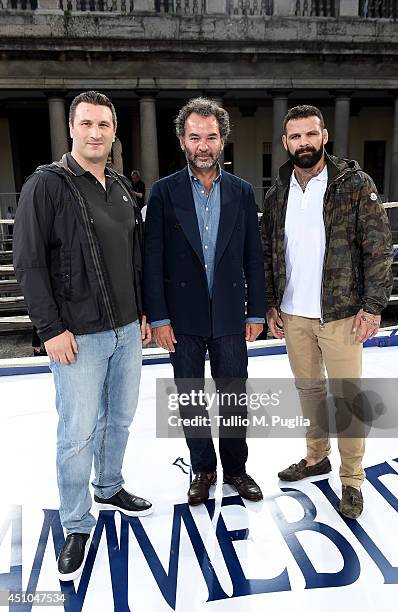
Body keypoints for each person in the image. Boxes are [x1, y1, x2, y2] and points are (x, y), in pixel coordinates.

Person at [13, 90, 153, 582]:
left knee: (119, 418)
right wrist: (50, 329)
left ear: (114, 133)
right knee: (76, 434)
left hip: (125, 331)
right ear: (71, 128)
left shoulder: (119, 186)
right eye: (87, 124)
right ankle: (76, 523)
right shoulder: (46, 185)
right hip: (77, 337)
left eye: (105, 125)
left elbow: (133, 259)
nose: (96, 133)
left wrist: (140, 313)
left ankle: (109, 485)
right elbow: (27, 263)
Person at [261, 104, 393, 519]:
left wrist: (373, 307)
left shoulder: (354, 184)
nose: (304, 143)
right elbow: (269, 253)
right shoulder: (277, 190)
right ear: (285, 143)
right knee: (310, 392)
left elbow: (378, 249)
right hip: (294, 313)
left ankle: (352, 480)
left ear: (324, 137)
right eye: (295, 136)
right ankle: (316, 457)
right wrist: (270, 302)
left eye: (310, 135)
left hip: (341, 313)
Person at [143, 97, 266, 506]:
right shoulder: (163, 193)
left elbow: (254, 255)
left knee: (233, 396)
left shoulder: (243, 192)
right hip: (182, 318)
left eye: (211, 137)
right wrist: (158, 317)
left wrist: (255, 309)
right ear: (182, 141)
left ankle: (235, 469)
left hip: (231, 314)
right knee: (190, 397)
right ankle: (203, 469)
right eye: (195, 137)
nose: (203, 145)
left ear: (222, 140)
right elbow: (153, 258)